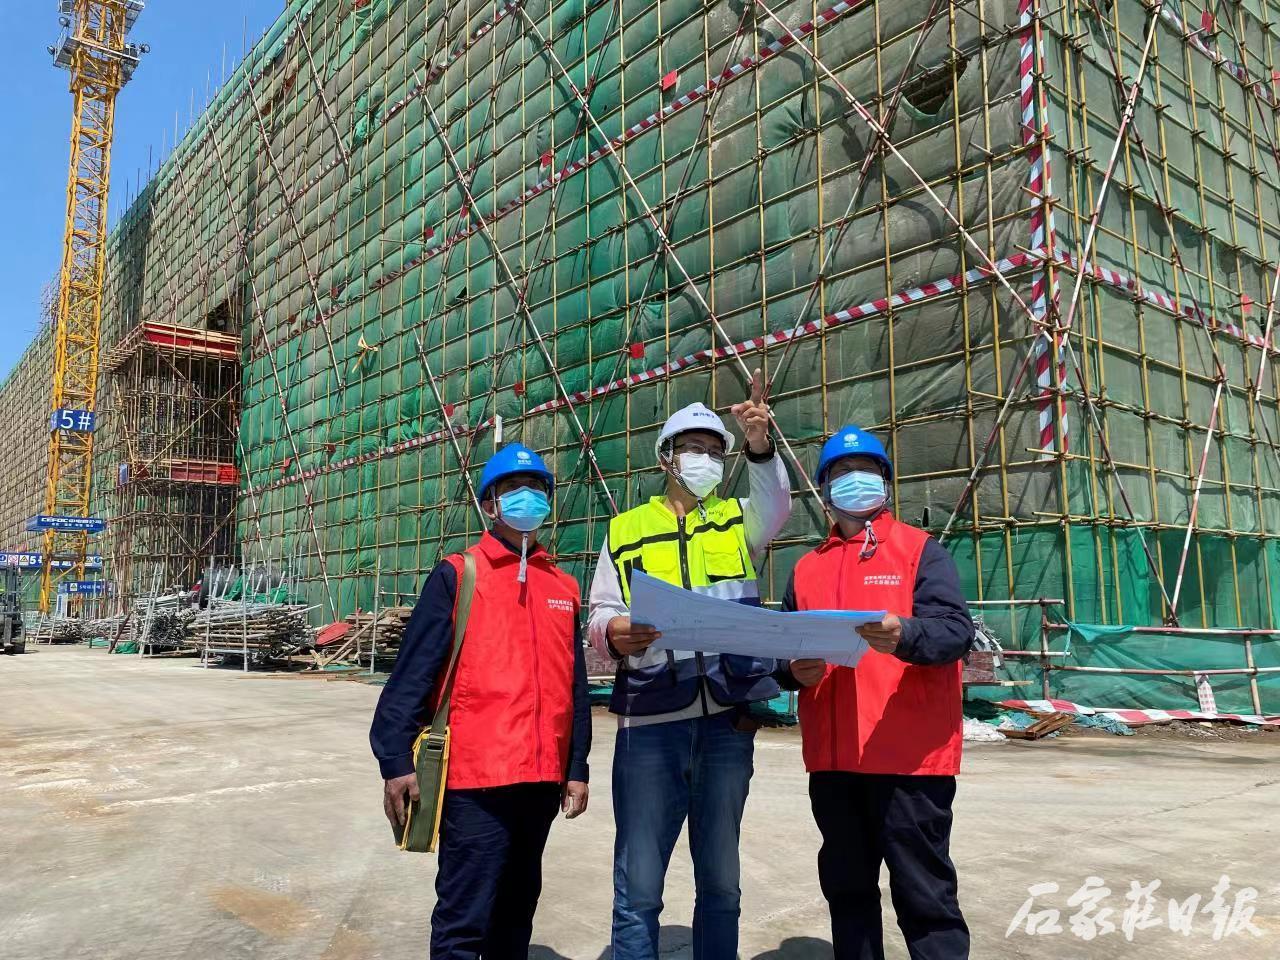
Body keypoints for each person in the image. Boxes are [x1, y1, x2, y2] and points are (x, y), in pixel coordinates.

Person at [587, 370, 792, 960]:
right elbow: (600, 614)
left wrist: (760, 446)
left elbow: (777, 505)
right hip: (651, 723)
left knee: (722, 883)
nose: (703, 458)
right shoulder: (627, 529)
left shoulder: (736, 521)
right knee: (638, 885)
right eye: (692, 448)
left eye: (713, 450)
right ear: (667, 457)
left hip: (726, 720)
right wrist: (615, 632)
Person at [370, 443, 590, 959]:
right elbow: (413, 673)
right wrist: (395, 760)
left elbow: (574, 687)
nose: (527, 497)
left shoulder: (563, 586)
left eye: (536, 488)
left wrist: (576, 766)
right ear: (490, 504)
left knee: (517, 913)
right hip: (476, 783)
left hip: (540, 781)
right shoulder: (459, 574)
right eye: (513, 488)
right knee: (464, 921)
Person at [782, 424, 974, 960]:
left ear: (886, 482)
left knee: (925, 896)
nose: (855, 479)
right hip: (834, 762)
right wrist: (790, 672)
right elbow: (783, 647)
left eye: (866, 469)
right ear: (824, 490)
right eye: (842, 472)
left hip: (908, 761)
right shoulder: (806, 568)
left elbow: (955, 632)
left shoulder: (920, 551)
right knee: (847, 893)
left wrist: (905, 634)